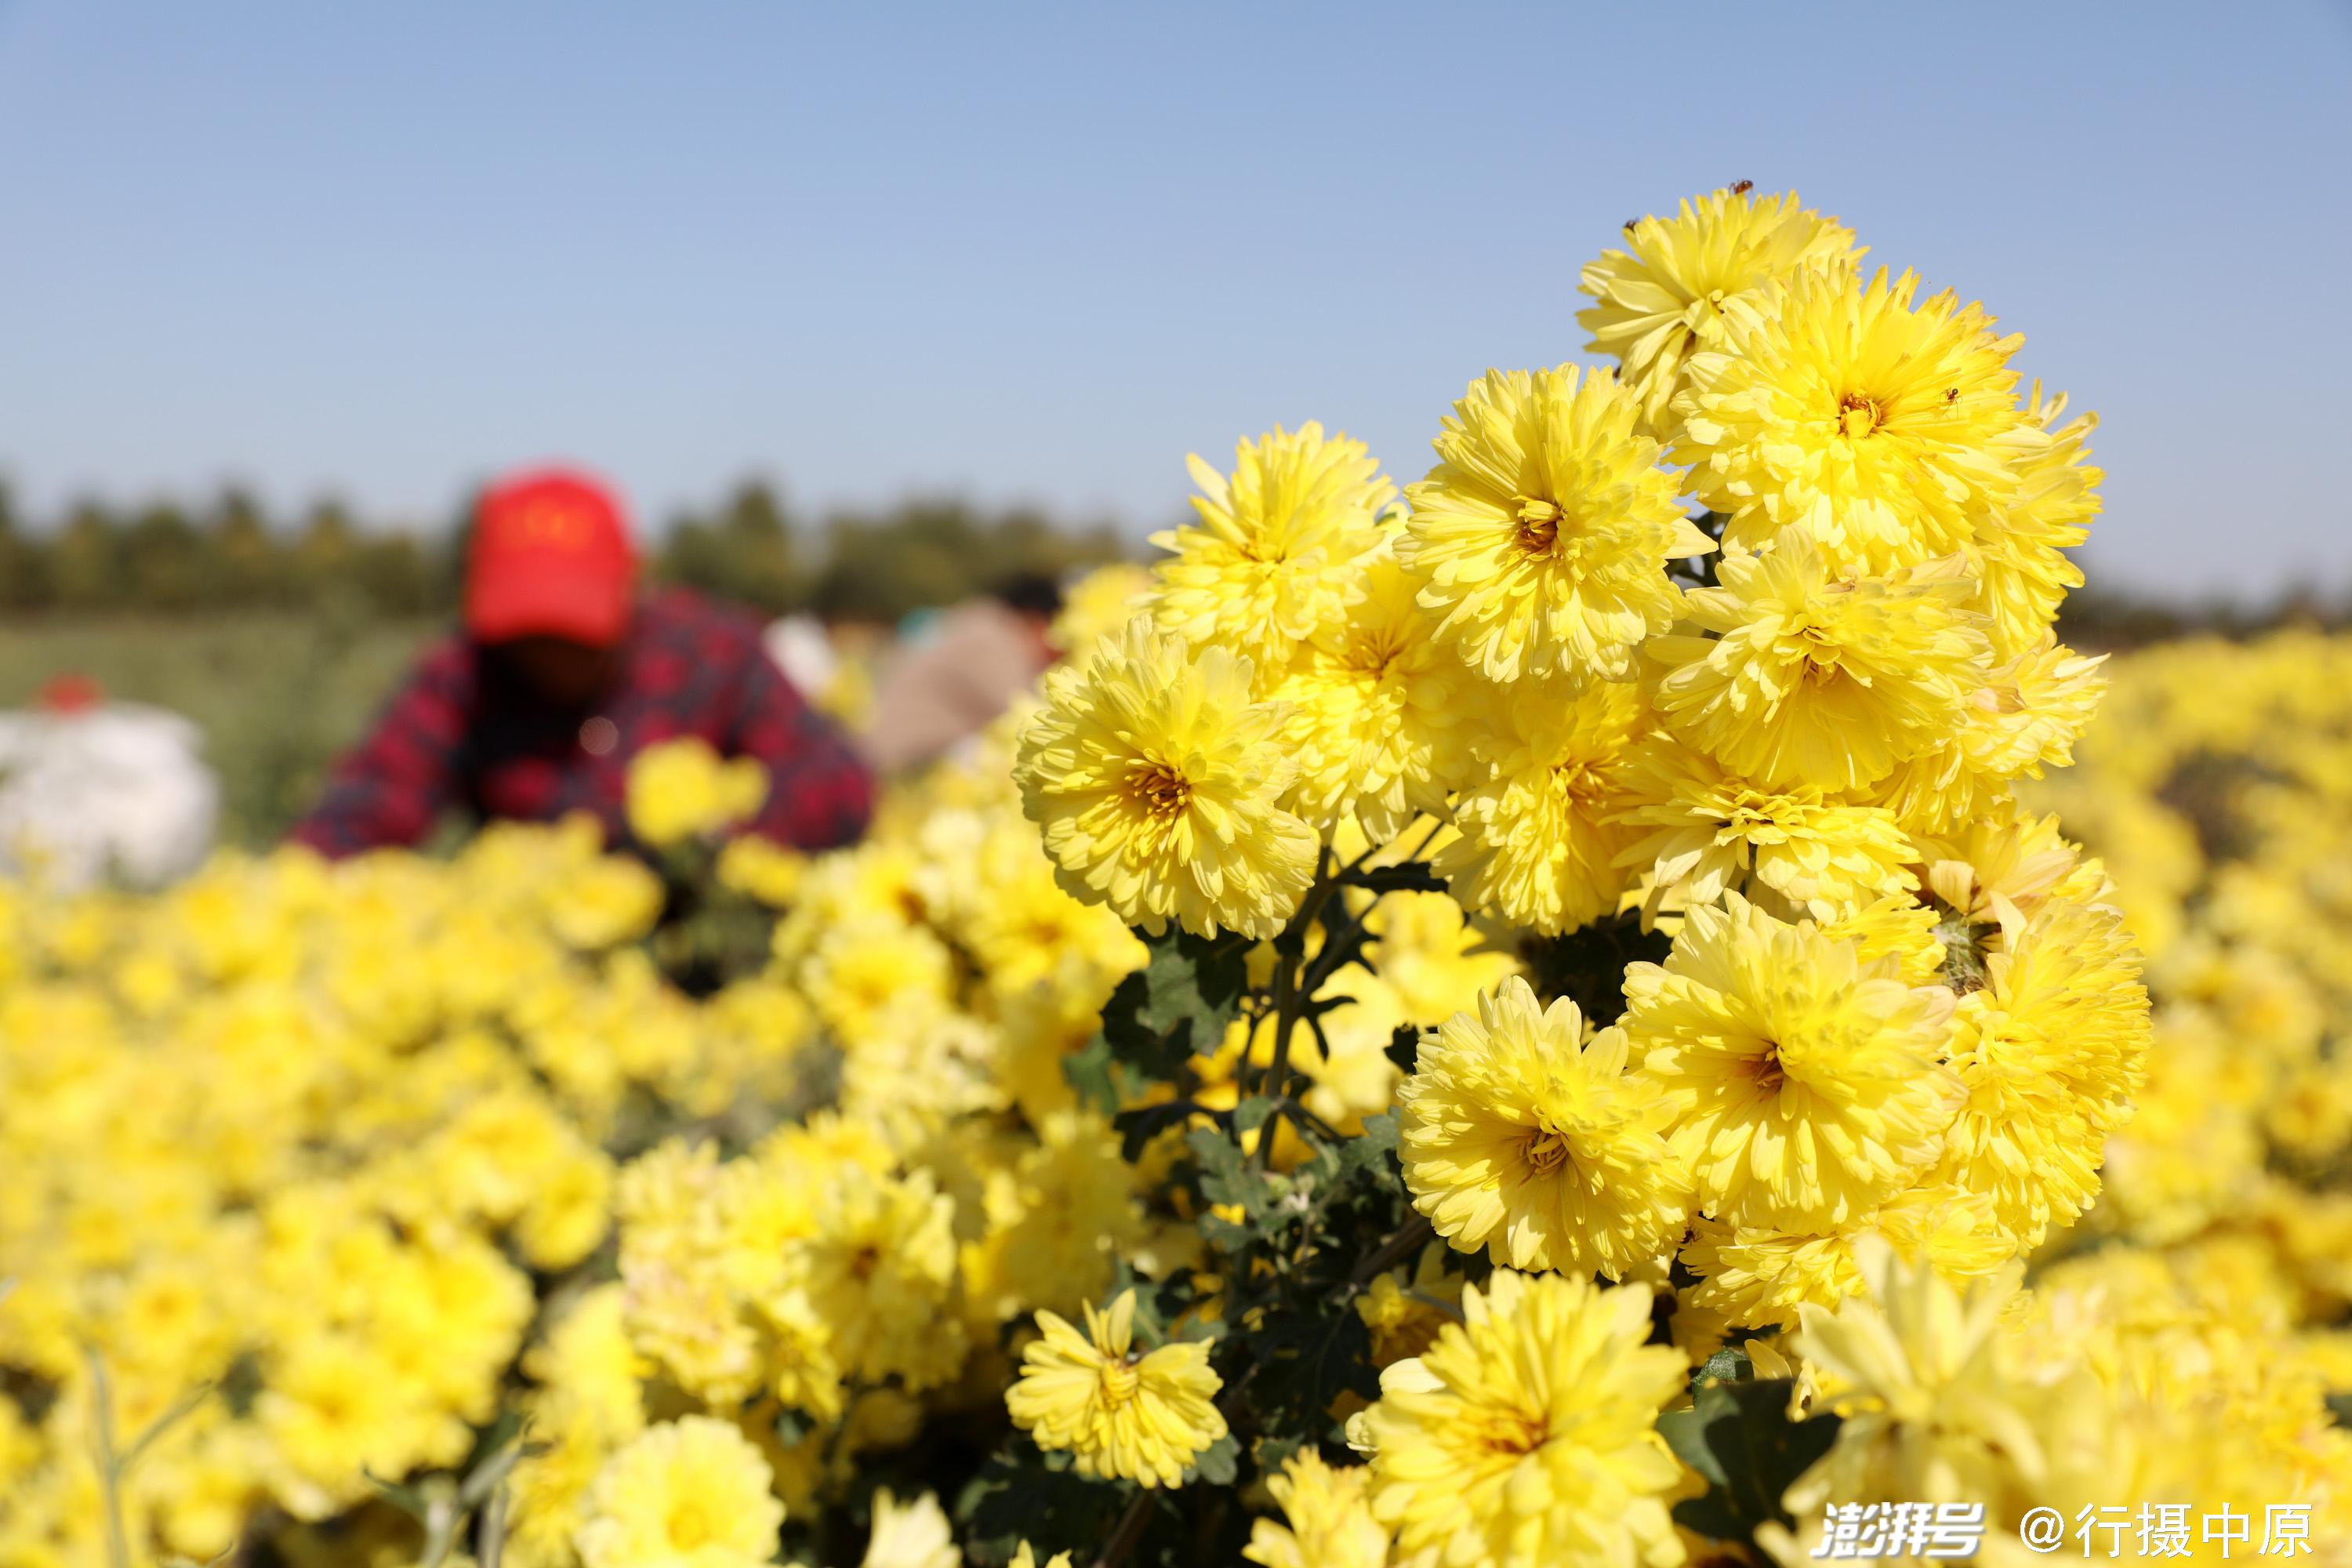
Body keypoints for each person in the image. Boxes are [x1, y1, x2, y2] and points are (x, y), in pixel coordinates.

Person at [292, 467, 871, 858]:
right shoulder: (465, 676)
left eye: (574, 633)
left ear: (631, 586)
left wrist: (718, 845)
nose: (552, 655)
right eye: (529, 633)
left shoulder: (710, 655)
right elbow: (365, 805)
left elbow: (836, 781)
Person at [858, 572, 1063, 773]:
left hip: (894, 756)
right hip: (897, 763)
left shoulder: (974, 624)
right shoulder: (992, 637)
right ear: (1035, 619)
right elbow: (1025, 710)